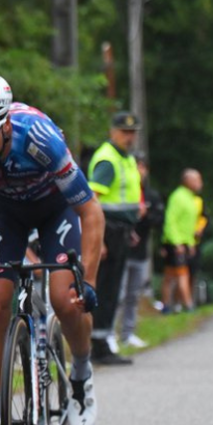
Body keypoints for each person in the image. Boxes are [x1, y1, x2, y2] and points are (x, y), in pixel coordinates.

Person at [0, 72, 106, 425]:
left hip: (55, 209)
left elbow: (91, 211)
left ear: (6, 124)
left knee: (67, 300)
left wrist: (90, 281)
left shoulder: (39, 138)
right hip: (3, 211)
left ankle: (80, 373)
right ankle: (0, 414)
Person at [84, 111, 145, 364]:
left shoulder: (126, 158)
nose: (129, 137)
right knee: (107, 288)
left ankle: (103, 340)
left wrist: (130, 228)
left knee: (113, 287)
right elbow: (93, 199)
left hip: (120, 229)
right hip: (108, 230)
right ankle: (99, 345)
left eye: (132, 132)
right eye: (124, 132)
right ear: (113, 132)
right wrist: (100, 239)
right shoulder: (108, 160)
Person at [118, 155, 159, 347]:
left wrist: (145, 215)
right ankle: (109, 334)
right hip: (122, 250)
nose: (139, 170)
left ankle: (128, 333)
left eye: (142, 167)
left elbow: (159, 219)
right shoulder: (122, 192)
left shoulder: (151, 195)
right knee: (118, 295)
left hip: (140, 252)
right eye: (136, 166)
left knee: (133, 295)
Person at [161, 169, 204, 314]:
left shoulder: (191, 198)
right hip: (176, 242)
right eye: (197, 180)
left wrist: (191, 242)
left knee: (170, 275)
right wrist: (176, 242)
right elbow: (170, 220)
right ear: (187, 181)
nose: (200, 183)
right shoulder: (178, 197)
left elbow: (189, 224)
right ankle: (188, 305)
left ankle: (167, 305)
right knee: (182, 274)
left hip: (186, 241)